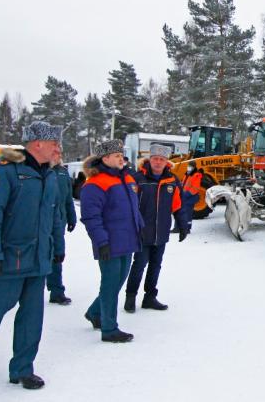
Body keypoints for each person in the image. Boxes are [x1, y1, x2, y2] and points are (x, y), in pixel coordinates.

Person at [0, 121, 63, 390]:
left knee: (32, 319)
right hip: (9, 258)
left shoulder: (49, 176)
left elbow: (54, 216)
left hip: (39, 259)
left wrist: (58, 249)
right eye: (53, 141)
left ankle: (22, 369)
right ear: (37, 144)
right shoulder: (5, 174)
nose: (58, 147)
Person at [81, 139, 143, 343]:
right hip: (110, 242)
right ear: (105, 158)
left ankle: (94, 312)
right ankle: (109, 328)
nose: (121, 158)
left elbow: (134, 209)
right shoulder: (94, 184)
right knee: (109, 285)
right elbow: (91, 217)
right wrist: (101, 242)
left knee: (117, 282)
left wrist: (139, 228)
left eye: (121, 155)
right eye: (117, 155)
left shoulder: (126, 179)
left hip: (127, 240)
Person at [124, 144, 182, 313]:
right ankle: (130, 296)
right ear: (150, 159)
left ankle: (150, 297)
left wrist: (182, 223)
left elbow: (178, 205)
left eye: (162, 159)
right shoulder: (138, 178)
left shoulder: (172, 180)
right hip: (142, 231)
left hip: (161, 231)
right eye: (155, 159)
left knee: (156, 265)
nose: (158, 162)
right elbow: (128, 204)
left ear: (166, 162)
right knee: (139, 264)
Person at [45, 151, 77, 306]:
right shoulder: (41, 171)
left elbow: (68, 198)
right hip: (42, 223)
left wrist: (72, 217)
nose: (56, 156)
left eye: (59, 153)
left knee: (57, 256)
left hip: (59, 221)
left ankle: (56, 291)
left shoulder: (63, 172)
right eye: (54, 153)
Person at [171, 160, 202, 237]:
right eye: (188, 166)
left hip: (190, 197)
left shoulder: (196, 175)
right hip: (184, 196)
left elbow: (195, 188)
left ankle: (187, 229)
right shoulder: (187, 174)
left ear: (194, 167)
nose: (188, 167)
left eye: (190, 166)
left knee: (187, 213)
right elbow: (184, 185)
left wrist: (185, 194)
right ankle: (177, 227)